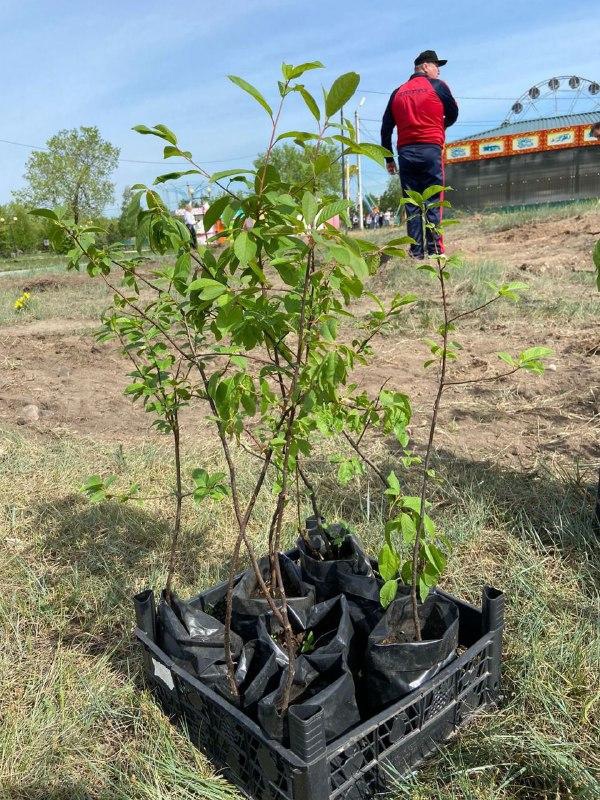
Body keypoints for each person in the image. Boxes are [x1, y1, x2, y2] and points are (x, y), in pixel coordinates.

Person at [381, 49, 458, 259]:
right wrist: (439, 126)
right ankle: (435, 251)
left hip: (405, 153)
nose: (438, 72)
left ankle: (416, 253)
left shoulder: (397, 92)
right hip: (430, 150)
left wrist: (389, 159)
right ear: (425, 66)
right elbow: (453, 113)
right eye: (436, 67)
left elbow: (386, 128)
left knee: (412, 203)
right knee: (433, 199)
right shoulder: (438, 87)